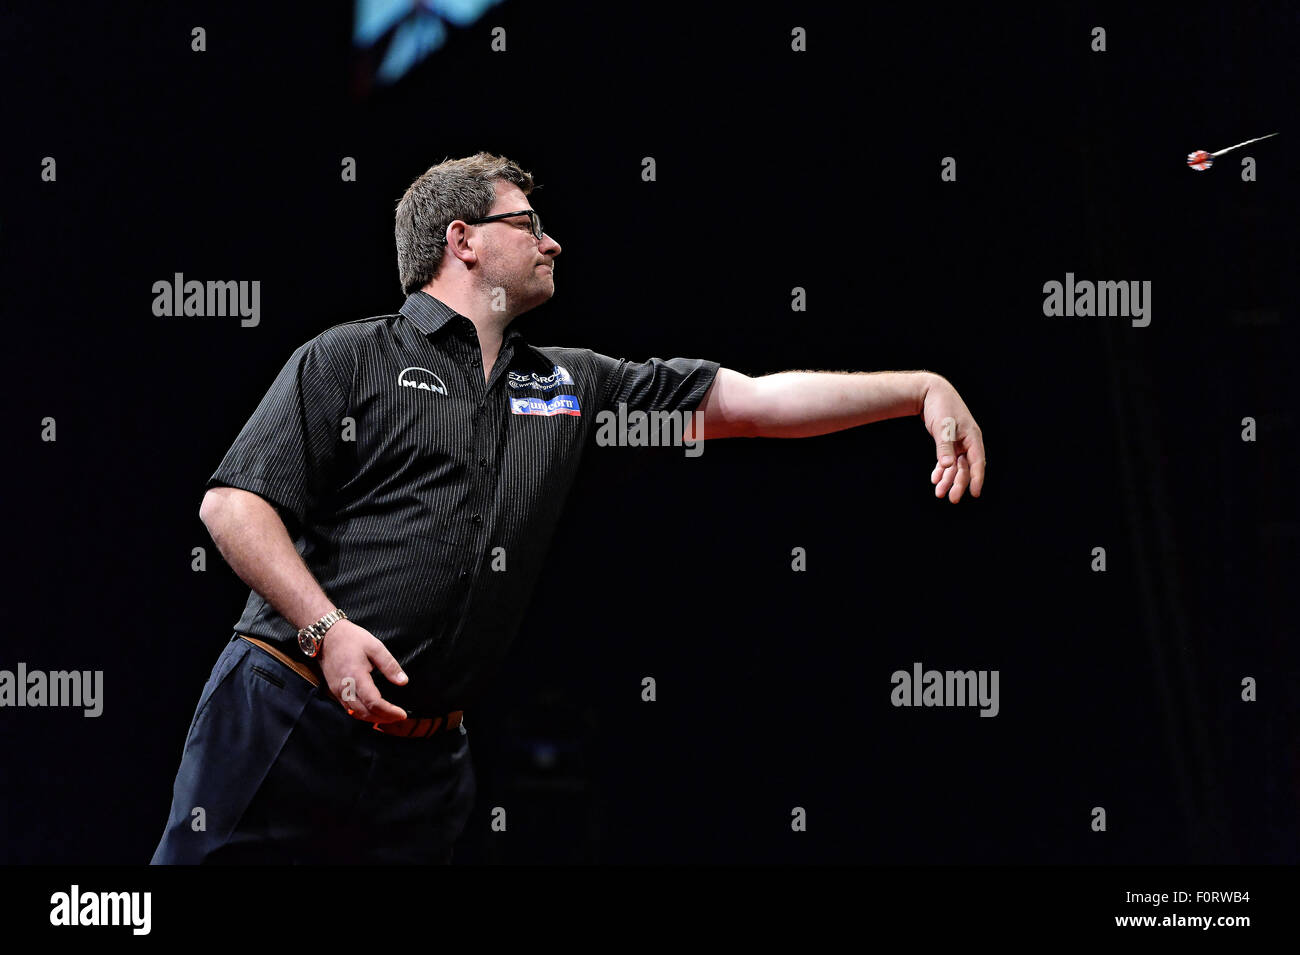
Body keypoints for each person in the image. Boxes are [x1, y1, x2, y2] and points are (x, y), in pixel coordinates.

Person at [151, 152, 986, 864]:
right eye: (529, 223)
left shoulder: (570, 382)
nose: (553, 240)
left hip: (427, 764)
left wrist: (921, 388)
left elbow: (756, 402)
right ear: (463, 241)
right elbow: (233, 504)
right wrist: (326, 631)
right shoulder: (348, 356)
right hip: (287, 709)